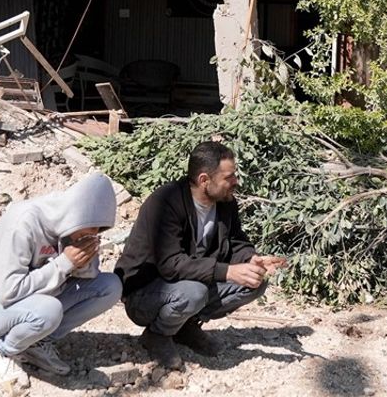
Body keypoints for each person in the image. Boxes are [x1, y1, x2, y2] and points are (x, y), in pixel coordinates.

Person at [115, 141, 287, 367]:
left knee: (254, 282)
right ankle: (157, 334)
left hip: (188, 285)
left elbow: (235, 241)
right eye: (229, 177)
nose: (235, 182)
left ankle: (184, 326)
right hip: (144, 294)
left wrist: (250, 259)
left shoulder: (225, 203)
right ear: (204, 180)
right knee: (194, 292)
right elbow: (170, 264)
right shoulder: (165, 202)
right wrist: (227, 272)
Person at [0, 172, 122, 388]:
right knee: (49, 309)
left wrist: (85, 259)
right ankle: (2, 351)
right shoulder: (24, 223)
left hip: (40, 302)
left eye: (99, 230)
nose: (94, 233)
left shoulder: (74, 227)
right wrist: (64, 263)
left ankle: (37, 342)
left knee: (110, 286)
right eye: (93, 227)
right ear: (79, 214)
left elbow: (89, 276)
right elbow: (9, 291)